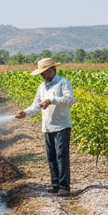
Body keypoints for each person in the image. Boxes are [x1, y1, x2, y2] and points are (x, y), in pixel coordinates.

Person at [15, 57, 75, 195]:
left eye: (45, 73)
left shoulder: (63, 83)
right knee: (52, 157)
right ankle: (55, 185)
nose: (42, 76)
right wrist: (25, 113)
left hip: (61, 126)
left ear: (53, 69)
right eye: (41, 73)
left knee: (61, 156)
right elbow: (35, 106)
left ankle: (64, 187)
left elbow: (70, 99)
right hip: (47, 127)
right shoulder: (42, 87)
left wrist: (51, 100)